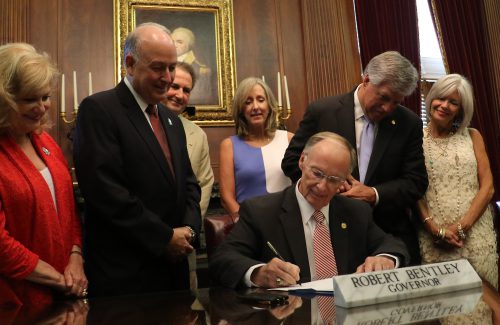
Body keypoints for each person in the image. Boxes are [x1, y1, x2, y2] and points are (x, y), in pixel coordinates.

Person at [73, 22, 201, 297]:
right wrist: (164, 238)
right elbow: (106, 191)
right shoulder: (99, 110)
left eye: (171, 67)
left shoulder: (170, 119)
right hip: (125, 275)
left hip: (173, 271)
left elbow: (189, 184)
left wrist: (189, 230)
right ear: (130, 64)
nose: (167, 77)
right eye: (158, 67)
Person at [210, 132, 409, 289]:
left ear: (345, 179)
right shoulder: (261, 211)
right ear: (302, 161)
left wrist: (386, 259)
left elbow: (392, 244)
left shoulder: (355, 211)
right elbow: (223, 260)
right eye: (317, 173)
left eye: (333, 179)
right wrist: (257, 273)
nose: (322, 186)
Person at [282, 51, 428, 265]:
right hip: (330, 233)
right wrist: (332, 185)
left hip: (388, 237)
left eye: (396, 102)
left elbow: (416, 182)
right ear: (367, 79)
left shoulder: (409, 124)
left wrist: (373, 194)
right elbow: (293, 161)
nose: (388, 108)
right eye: (384, 97)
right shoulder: (323, 112)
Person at [0, 43, 87, 307]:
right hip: (15, 304)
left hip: (61, 297)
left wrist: (75, 258)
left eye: (45, 97)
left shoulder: (47, 143)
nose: (41, 107)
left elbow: (70, 213)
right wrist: (56, 279)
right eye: (29, 99)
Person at [417, 74, 497, 289]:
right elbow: (413, 191)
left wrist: (462, 227)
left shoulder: (472, 136)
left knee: (484, 307)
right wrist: (436, 230)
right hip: (434, 240)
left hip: (476, 238)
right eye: (441, 98)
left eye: (453, 102)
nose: (444, 106)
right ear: (431, 98)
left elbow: (488, 188)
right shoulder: (414, 139)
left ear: (461, 110)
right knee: (445, 311)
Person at [163, 62, 214, 290]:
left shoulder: (197, 135)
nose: (180, 95)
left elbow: (203, 184)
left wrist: (188, 232)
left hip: (184, 245)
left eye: (186, 90)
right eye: (175, 86)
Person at [219, 77, 293, 217]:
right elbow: (227, 199)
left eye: (260, 100)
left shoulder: (289, 139)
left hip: (286, 223)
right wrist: (246, 225)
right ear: (241, 110)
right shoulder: (229, 146)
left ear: (269, 105)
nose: (255, 107)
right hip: (248, 226)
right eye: (248, 102)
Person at [172, 27, 216, 105]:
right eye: (172, 41)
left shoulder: (203, 70)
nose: (174, 45)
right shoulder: (165, 64)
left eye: (179, 42)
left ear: (189, 45)